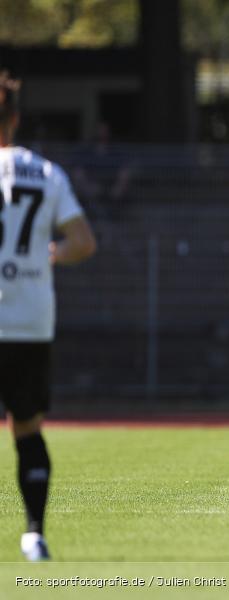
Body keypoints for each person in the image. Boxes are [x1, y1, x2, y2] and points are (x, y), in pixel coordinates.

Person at [0, 72, 97, 561]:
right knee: (28, 428)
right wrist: (48, 255)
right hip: (29, 321)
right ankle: (34, 533)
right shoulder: (45, 173)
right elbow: (83, 241)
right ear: (15, 117)